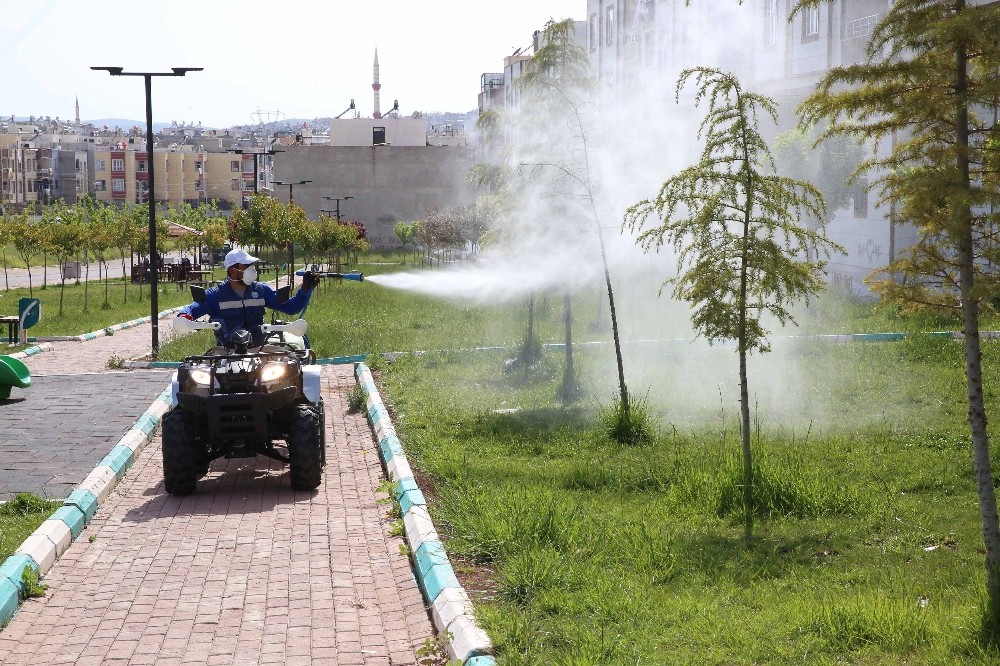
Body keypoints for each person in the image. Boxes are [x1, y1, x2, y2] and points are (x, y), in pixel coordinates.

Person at [176, 248, 320, 347]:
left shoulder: (261, 290)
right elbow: (191, 309)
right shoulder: (215, 295)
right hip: (226, 352)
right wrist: (184, 317)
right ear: (233, 270)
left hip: (259, 349)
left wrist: (305, 288)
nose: (252, 269)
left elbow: (291, 308)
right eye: (247, 266)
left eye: (252, 266)